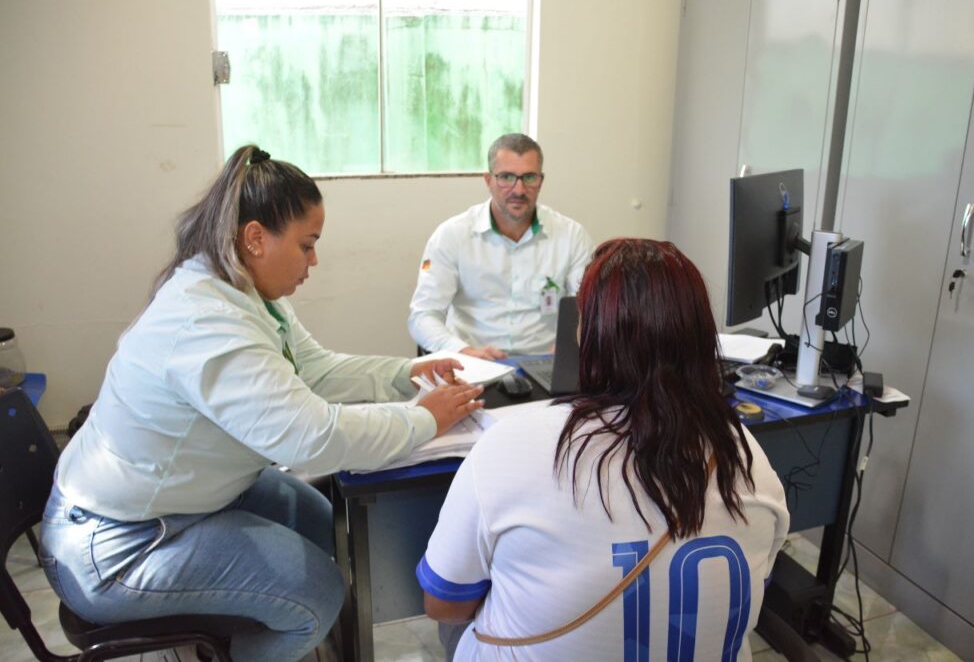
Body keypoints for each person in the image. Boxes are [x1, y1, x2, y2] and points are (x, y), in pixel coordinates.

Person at [38, 145, 483, 662]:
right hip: (119, 545)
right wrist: (423, 420)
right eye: (307, 244)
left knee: (324, 523)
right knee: (317, 594)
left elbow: (313, 369)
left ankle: (280, 636)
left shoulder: (243, 291)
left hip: (176, 500)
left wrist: (405, 373)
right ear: (254, 238)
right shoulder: (207, 321)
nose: (314, 261)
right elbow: (313, 438)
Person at [417, 239, 790, 661]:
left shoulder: (510, 446)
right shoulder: (746, 455)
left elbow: (444, 605)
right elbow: (759, 579)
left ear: (589, 333)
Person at [408, 133, 594, 359]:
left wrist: (568, 347)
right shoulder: (452, 236)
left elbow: (589, 311)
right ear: (488, 180)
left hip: (546, 364)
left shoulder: (572, 236)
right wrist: (463, 351)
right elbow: (423, 316)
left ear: (541, 180)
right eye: (506, 177)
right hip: (471, 365)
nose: (518, 190)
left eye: (529, 177)